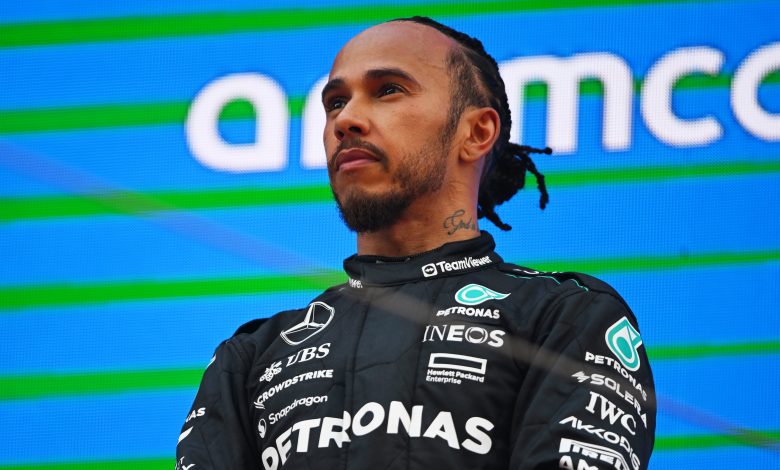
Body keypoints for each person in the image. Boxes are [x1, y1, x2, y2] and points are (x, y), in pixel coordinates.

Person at [176, 16, 655, 470]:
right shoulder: (254, 356)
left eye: (387, 90)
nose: (347, 121)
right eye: (335, 102)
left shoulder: (563, 318)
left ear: (476, 132)